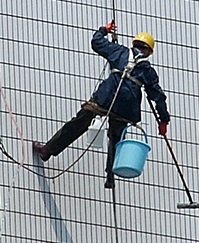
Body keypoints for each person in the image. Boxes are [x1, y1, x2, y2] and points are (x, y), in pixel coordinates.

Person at [33, 20, 170, 189]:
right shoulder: (148, 71)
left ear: (134, 44)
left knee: (79, 122)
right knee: (117, 139)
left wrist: (104, 30)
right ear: (149, 51)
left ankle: (48, 150)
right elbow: (158, 97)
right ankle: (110, 176)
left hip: (105, 99)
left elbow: (96, 42)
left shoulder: (120, 51)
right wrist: (164, 121)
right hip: (125, 109)